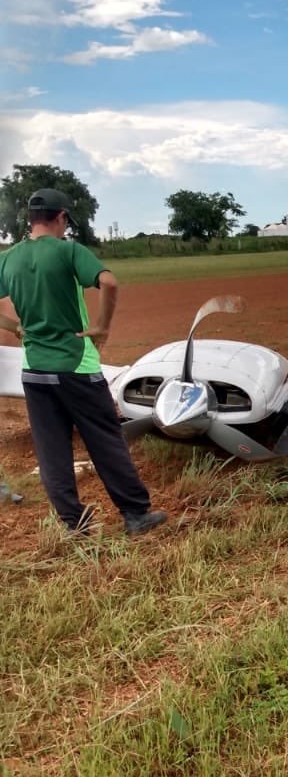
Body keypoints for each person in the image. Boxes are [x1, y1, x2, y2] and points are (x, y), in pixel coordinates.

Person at [0, 188, 167, 537]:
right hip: (75, 364)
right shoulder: (68, 250)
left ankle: (73, 523)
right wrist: (102, 326)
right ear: (61, 217)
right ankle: (135, 514)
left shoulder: (8, 258)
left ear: (30, 220)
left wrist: (18, 328)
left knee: (52, 451)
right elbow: (108, 281)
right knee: (106, 441)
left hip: (34, 370)